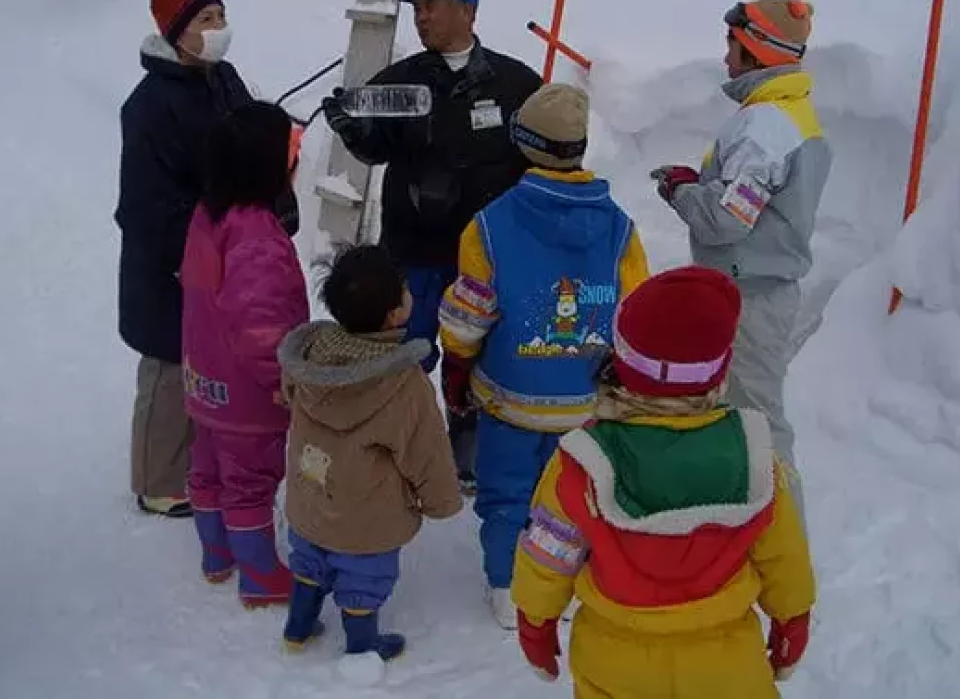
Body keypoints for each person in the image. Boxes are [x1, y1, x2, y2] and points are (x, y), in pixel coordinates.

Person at [510, 267, 816, 698]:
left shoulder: (582, 463)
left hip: (614, 663)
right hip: (725, 666)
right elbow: (784, 554)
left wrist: (535, 621)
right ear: (719, 370)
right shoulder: (752, 457)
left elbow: (550, 551)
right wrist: (792, 619)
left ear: (621, 358)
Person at [321, 0, 542, 492]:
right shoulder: (401, 81)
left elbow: (542, 155)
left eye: (432, 5)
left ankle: (466, 452)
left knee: (477, 358)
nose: (421, 17)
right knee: (407, 354)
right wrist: (353, 130)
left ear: (468, 11)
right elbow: (373, 143)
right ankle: (399, 447)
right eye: (416, 8)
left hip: (486, 256)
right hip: (414, 249)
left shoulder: (516, 82)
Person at [437, 84, 649, 629]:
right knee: (576, 496)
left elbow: (467, 318)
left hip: (511, 399)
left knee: (508, 494)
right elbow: (634, 312)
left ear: (522, 145)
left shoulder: (489, 226)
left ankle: (509, 592)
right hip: (583, 402)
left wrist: (457, 365)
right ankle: (567, 581)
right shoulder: (620, 228)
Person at [115, 0, 299, 519]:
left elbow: (253, 154)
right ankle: (158, 480)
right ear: (175, 33)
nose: (217, 29)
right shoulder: (148, 107)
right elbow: (143, 204)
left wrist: (274, 205)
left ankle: (205, 461)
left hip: (230, 244)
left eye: (220, 15)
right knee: (170, 362)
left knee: (212, 357)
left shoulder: (224, 78)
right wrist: (190, 252)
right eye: (205, 20)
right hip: (172, 255)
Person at [651, 0, 830, 519]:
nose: (725, 57)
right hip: (752, 288)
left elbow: (728, 218)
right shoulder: (787, 112)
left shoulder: (766, 125)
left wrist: (681, 192)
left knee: (757, 420)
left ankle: (780, 538)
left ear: (755, 50)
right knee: (737, 414)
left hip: (750, 295)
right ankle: (741, 518)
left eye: (732, 44)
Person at [278, 244, 462, 660]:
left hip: (311, 498)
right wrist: (440, 501)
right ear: (396, 314)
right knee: (364, 578)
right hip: (366, 515)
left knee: (308, 562)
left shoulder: (310, 358)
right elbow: (425, 449)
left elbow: (288, 393)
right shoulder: (402, 382)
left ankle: (298, 627)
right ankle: (362, 648)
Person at [180, 100, 309, 607]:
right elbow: (261, 325)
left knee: (209, 466)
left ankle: (217, 554)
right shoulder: (257, 235)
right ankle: (259, 573)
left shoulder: (208, 214)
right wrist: (283, 381)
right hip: (247, 391)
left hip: (204, 375)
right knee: (250, 478)